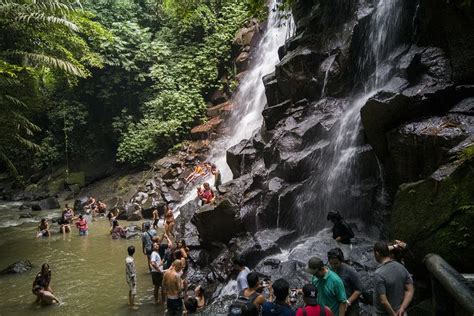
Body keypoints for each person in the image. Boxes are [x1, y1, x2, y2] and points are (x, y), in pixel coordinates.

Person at [373, 241, 414, 316]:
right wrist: (402, 308)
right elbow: (410, 290)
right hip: (400, 312)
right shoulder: (402, 268)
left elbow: (383, 301)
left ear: (377, 254)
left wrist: (393, 314)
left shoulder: (378, 273)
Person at [327, 248, 362, 316]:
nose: (333, 266)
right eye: (331, 263)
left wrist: (348, 302)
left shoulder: (349, 271)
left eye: (336, 263)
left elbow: (359, 290)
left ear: (341, 261)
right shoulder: (329, 270)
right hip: (336, 304)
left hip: (351, 305)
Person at [125, 245, 138, 310]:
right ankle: (131, 306)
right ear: (134, 252)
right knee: (133, 292)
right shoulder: (130, 261)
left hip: (128, 277)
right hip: (131, 278)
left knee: (131, 290)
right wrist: (133, 281)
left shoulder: (128, 258)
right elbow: (131, 271)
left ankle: (130, 303)